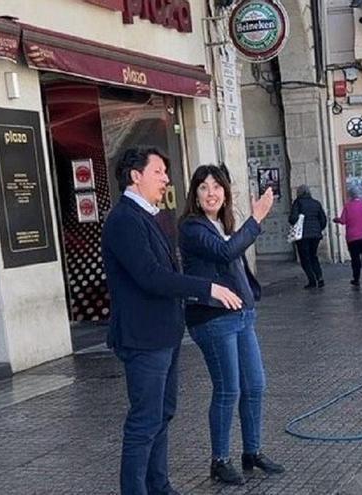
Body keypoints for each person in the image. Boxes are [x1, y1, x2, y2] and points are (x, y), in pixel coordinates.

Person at [101, 148, 243, 495]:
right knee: (144, 421)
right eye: (159, 171)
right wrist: (207, 288)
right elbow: (151, 276)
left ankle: (159, 485)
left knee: (162, 414)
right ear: (136, 176)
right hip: (142, 338)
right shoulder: (124, 220)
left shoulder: (152, 216)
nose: (166, 179)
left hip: (165, 334)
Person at [178, 166, 284, 485]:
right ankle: (219, 460)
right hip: (212, 318)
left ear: (225, 192)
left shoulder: (221, 224)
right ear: (195, 195)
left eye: (217, 187)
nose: (211, 192)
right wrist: (257, 219)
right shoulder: (192, 227)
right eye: (204, 187)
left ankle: (252, 452)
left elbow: (232, 255)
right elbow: (225, 253)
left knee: (255, 385)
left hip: (241, 316)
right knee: (228, 389)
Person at [333, 185, 362, 290]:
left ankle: (356, 279)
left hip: (353, 238)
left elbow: (343, 221)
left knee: (355, 259)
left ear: (351, 195)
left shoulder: (348, 206)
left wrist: (336, 220)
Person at [289, 184, 328, 289]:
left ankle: (312, 280)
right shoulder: (316, 203)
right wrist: (318, 229)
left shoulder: (298, 203)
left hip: (303, 235)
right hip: (315, 235)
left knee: (305, 258)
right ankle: (319, 277)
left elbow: (292, 219)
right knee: (313, 256)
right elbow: (323, 219)